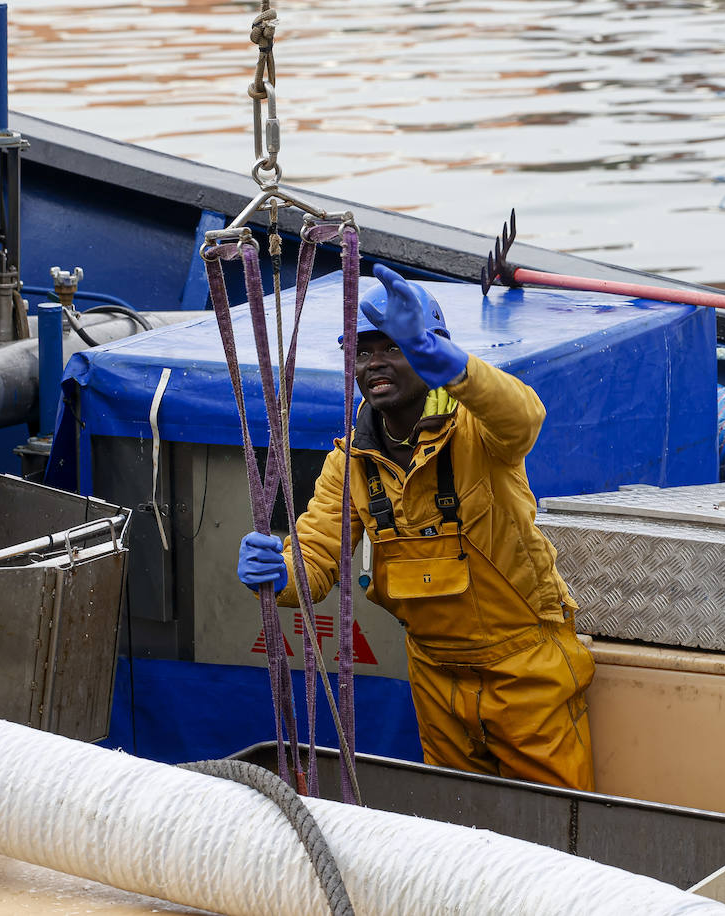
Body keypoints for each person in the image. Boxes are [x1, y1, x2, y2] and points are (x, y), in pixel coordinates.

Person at [236, 265, 595, 790]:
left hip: (526, 671)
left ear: (433, 350)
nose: (373, 363)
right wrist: (278, 572)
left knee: (556, 836)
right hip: (434, 677)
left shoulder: (481, 433)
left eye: (393, 348)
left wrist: (444, 362)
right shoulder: (350, 462)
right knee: (455, 833)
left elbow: (524, 415)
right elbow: (313, 561)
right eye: (361, 352)